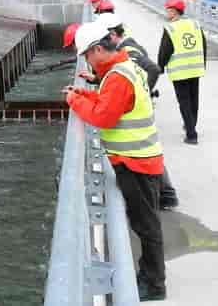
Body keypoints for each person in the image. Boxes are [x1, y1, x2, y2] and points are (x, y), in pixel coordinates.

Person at [64, 21, 167, 301]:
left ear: (98, 49)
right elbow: (108, 102)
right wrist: (84, 94)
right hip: (138, 159)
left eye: (87, 55)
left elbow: (104, 117)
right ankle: (150, 276)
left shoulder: (118, 76)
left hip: (136, 162)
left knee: (146, 225)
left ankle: (154, 283)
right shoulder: (120, 69)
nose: (87, 61)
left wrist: (75, 102)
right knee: (145, 222)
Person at [100, 14, 179, 210]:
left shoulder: (128, 49)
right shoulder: (126, 46)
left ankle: (167, 195)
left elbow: (153, 69)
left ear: (111, 35)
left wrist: (143, 92)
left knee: (147, 148)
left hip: (138, 106)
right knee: (148, 148)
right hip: (139, 103)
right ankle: (167, 195)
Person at [157, 0, 206, 144]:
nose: (167, 13)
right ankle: (191, 124)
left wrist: (160, 66)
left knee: (184, 101)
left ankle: (191, 135)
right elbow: (203, 45)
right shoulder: (195, 24)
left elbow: (165, 50)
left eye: (168, 10)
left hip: (180, 70)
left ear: (173, 11)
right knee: (193, 99)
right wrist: (202, 63)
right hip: (195, 68)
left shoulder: (170, 28)